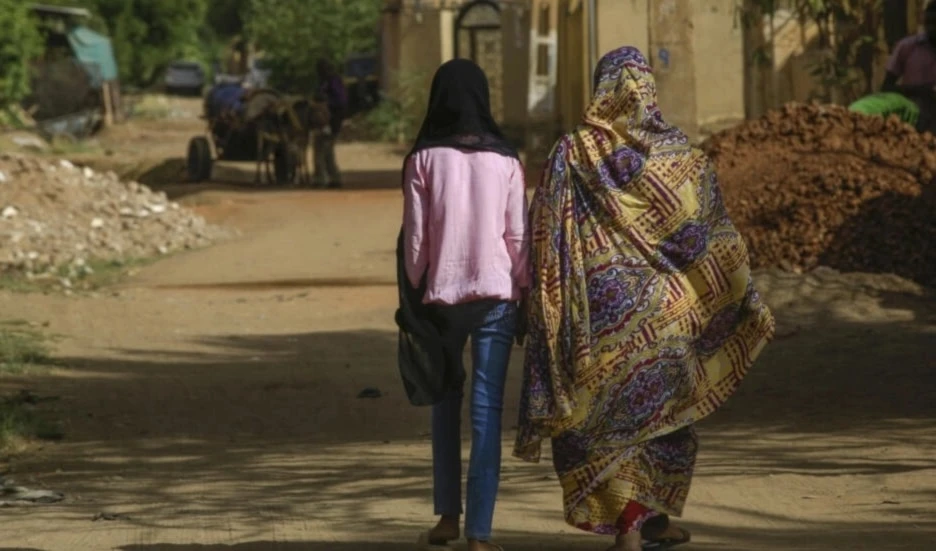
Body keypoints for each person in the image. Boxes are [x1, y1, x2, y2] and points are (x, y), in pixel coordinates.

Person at [513, 47, 776, 551]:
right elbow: (711, 236)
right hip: (668, 319)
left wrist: (540, 307)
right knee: (664, 418)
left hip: (596, 322)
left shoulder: (571, 152)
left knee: (605, 421)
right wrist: (745, 294)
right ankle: (644, 524)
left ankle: (638, 527)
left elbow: (543, 231)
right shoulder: (682, 157)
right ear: (648, 90)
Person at [400, 58, 529, 551]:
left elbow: (416, 243)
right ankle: (480, 534)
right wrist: (522, 290)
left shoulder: (423, 159)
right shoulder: (507, 160)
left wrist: (418, 288)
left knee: (444, 404)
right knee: (486, 412)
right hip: (497, 297)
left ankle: (447, 519)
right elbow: (517, 237)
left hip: (442, 298)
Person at [314, 58, 348, 188]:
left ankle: (325, 179)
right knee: (324, 150)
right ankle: (331, 178)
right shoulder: (324, 82)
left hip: (332, 120)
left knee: (323, 150)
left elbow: (341, 101)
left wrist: (327, 103)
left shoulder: (333, 81)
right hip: (323, 121)